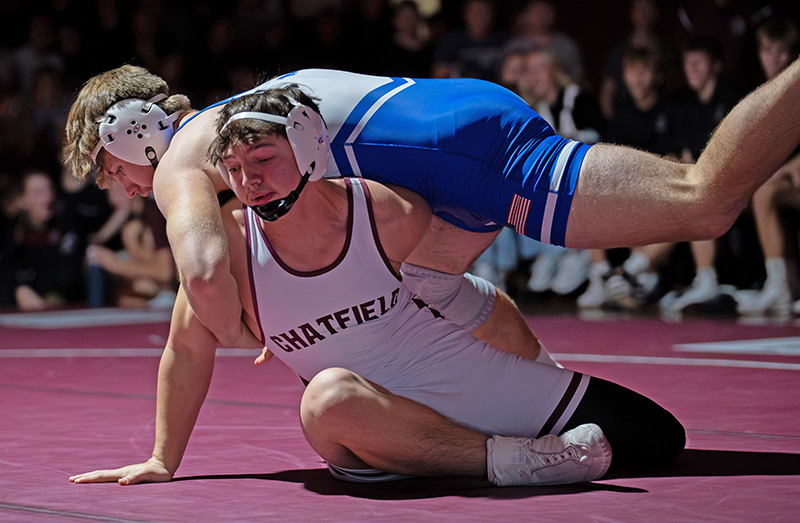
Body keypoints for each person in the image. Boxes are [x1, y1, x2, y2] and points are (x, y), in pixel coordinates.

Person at [68, 91, 685, 486]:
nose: (250, 180)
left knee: (659, 439)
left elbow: (474, 296)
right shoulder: (230, 248)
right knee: (328, 398)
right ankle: (515, 461)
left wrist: (535, 369)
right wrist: (162, 459)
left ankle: (533, 429)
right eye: (236, 170)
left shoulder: (378, 207)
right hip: (374, 428)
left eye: (263, 162)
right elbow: (186, 347)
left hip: (446, 373)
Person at [64, 60, 800, 362]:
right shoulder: (227, 134)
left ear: (130, 131)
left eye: (109, 171)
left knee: (703, 200)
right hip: (446, 152)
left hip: (464, 156)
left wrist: (247, 323)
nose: (124, 188)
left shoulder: (187, 156)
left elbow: (200, 268)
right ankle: (543, 396)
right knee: (413, 300)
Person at [734, 18, 800, 317]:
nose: (773, 58)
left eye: (781, 51)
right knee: (761, 191)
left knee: (769, 187)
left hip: (793, 176)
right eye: (767, 50)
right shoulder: (760, 95)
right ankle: (781, 287)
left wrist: (789, 169)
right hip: (784, 181)